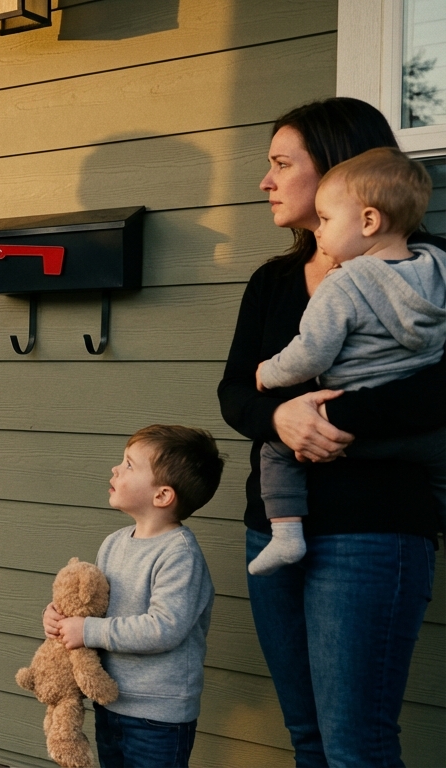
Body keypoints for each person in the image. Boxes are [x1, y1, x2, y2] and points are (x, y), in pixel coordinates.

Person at [218, 97, 445, 766]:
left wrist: (327, 421)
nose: (267, 181)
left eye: (283, 164)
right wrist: (283, 418)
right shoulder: (274, 281)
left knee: (356, 744)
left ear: (341, 172)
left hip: (374, 529)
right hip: (274, 526)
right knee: (309, 736)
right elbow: (237, 390)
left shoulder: (432, 272)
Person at [249, 148, 446, 575]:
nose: (320, 231)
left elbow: (311, 353)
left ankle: (285, 536)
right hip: (425, 437)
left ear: (369, 221)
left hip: (343, 433)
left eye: (327, 219)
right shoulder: (438, 268)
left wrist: (268, 373)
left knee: (276, 454)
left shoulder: (345, 281)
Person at [44, 425, 222, 768]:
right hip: (110, 702)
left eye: (128, 465)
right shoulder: (114, 543)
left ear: (162, 495)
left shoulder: (179, 555)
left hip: (158, 716)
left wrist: (88, 630)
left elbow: (164, 627)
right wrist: (58, 618)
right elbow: (91, 606)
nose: (115, 469)